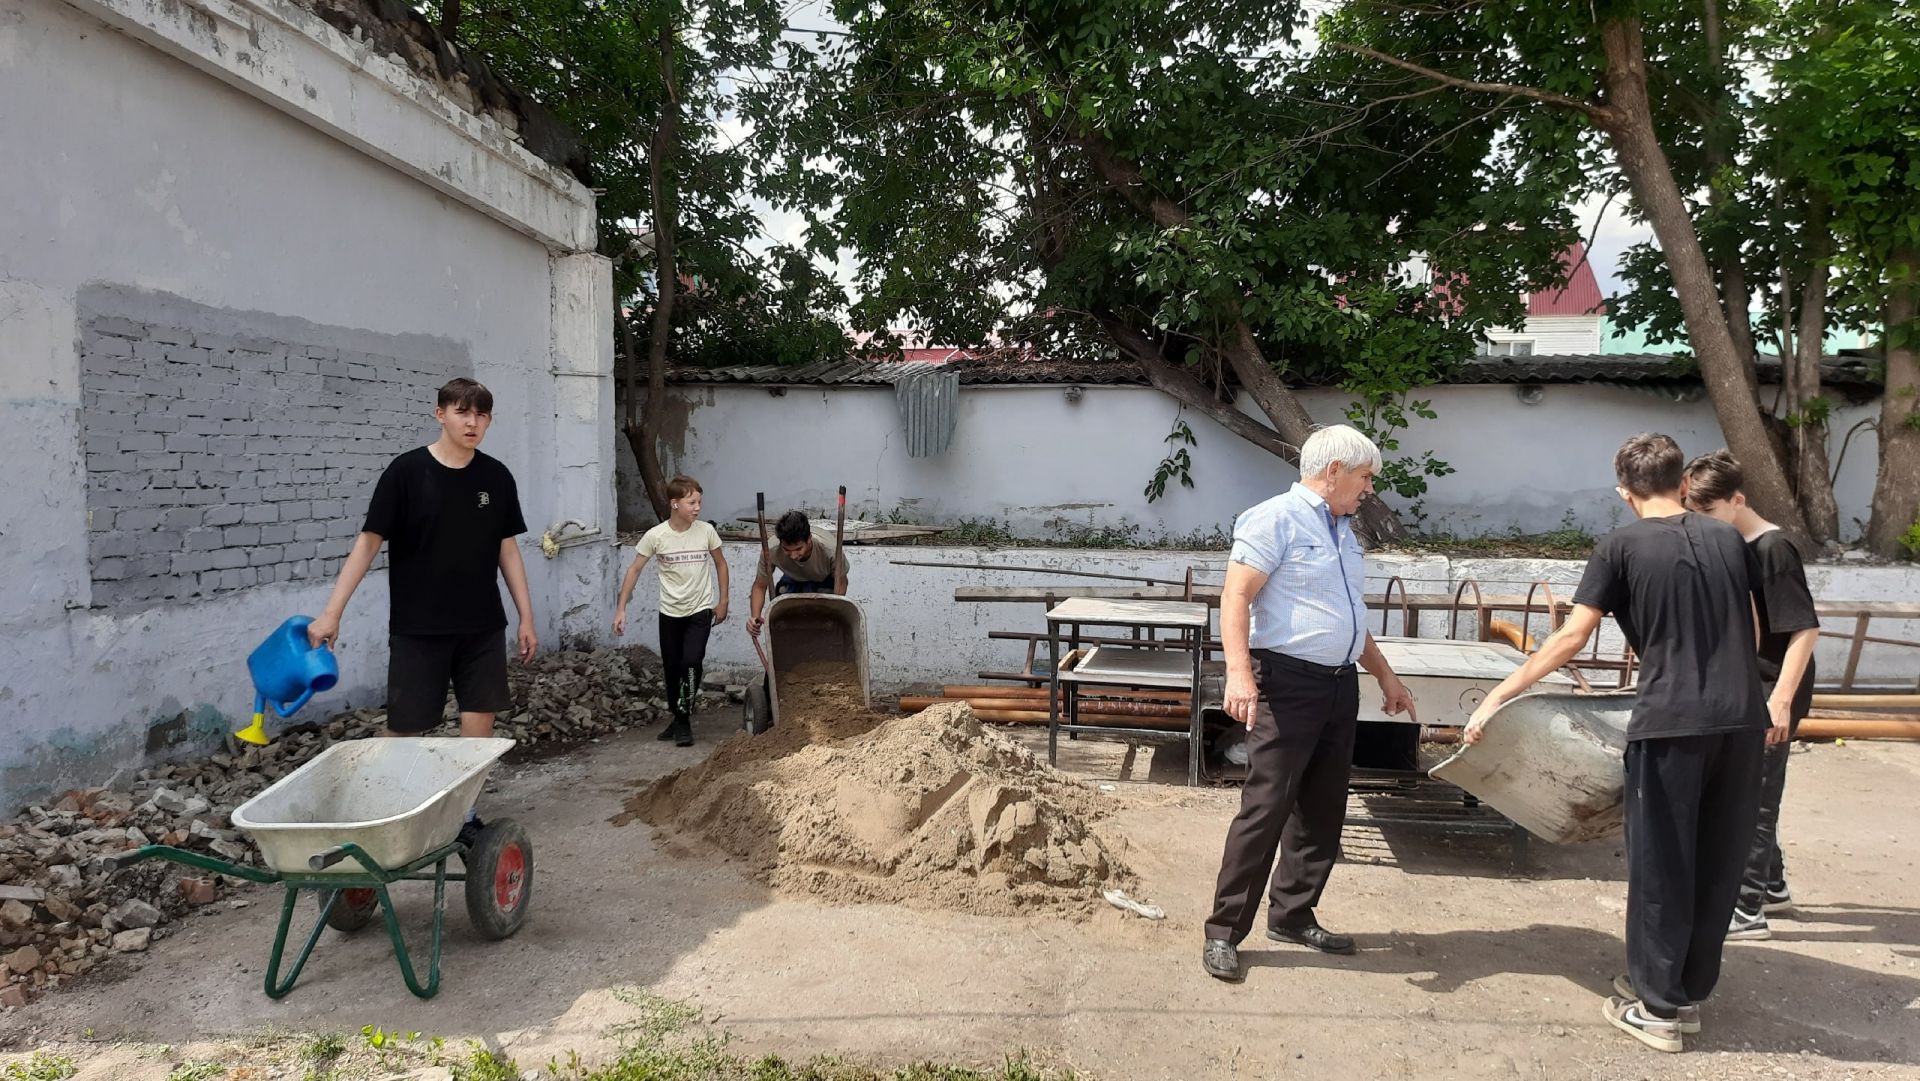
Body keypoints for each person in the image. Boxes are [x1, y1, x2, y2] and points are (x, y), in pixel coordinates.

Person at [1463, 433, 1770, 1054]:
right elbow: (1755, 626)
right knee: (1717, 857)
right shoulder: (1727, 539)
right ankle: (1683, 993)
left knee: (1663, 862)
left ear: (1623, 493)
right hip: (1742, 721)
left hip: (1671, 721)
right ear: (1684, 483)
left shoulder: (1620, 545)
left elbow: (1571, 638)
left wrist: (1498, 696)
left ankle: (1658, 1010)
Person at [1202, 425, 1417, 983]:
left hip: (1338, 684)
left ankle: (1293, 915)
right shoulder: (1274, 518)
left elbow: (1351, 617)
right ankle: (1225, 931)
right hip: (1286, 683)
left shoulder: (1344, 531)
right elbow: (1236, 596)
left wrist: (1387, 678)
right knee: (1267, 804)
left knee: (1324, 807)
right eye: (1366, 477)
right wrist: (1240, 674)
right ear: (1334, 472)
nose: (1370, 488)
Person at [306, 377, 537, 843]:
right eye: (461, 412)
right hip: (418, 627)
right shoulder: (406, 473)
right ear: (440, 414)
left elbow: (506, 549)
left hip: (481, 626)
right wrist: (332, 612)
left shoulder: (495, 477)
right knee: (405, 730)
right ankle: (382, 815)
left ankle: (463, 815)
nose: (472, 423)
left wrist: (526, 616)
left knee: (478, 732)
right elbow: (368, 542)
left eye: (481, 415)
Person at [1684, 450, 1821, 941]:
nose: (1698, 523)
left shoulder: (1773, 549)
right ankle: (1774, 886)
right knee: (1749, 788)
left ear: (1736, 500)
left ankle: (1746, 909)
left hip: (1772, 687)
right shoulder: (1734, 544)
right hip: (1749, 684)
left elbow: (1804, 629)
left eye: (1706, 513)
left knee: (1756, 799)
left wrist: (1780, 699)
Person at [614, 476, 729, 747]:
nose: (697, 507)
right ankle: (678, 718)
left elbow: (721, 565)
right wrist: (621, 608)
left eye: (699, 502)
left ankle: (684, 721)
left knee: (691, 662)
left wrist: (723, 601)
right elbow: (634, 570)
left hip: (700, 610)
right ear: (675, 504)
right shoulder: (656, 536)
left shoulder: (706, 532)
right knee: (672, 669)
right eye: (692, 502)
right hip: (670, 613)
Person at [745, 509, 850, 639]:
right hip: (793, 579)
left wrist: (832, 612)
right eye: (787, 550)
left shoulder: (830, 550)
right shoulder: (770, 550)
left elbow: (841, 582)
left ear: (809, 539)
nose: (793, 555)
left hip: (824, 580)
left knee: (823, 619)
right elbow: (760, 586)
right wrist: (755, 617)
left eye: (798, 549)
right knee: (782, 602)